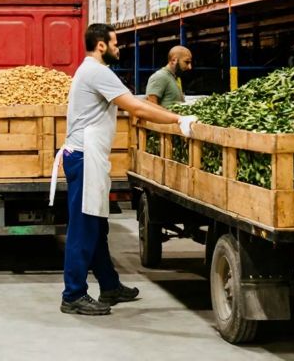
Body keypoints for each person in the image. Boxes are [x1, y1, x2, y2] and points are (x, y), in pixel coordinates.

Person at [51, 24, 196, 316]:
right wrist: (178, 119)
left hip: (90, 157)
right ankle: (73, 294)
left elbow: (136, 105)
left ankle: (109, 285)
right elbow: (137, 108)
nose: (120, 48)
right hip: (84, 157)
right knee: (83, 228)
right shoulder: (97, 72)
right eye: (116, 43)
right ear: (101, 45)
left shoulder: (92, 71)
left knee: (98, 226)